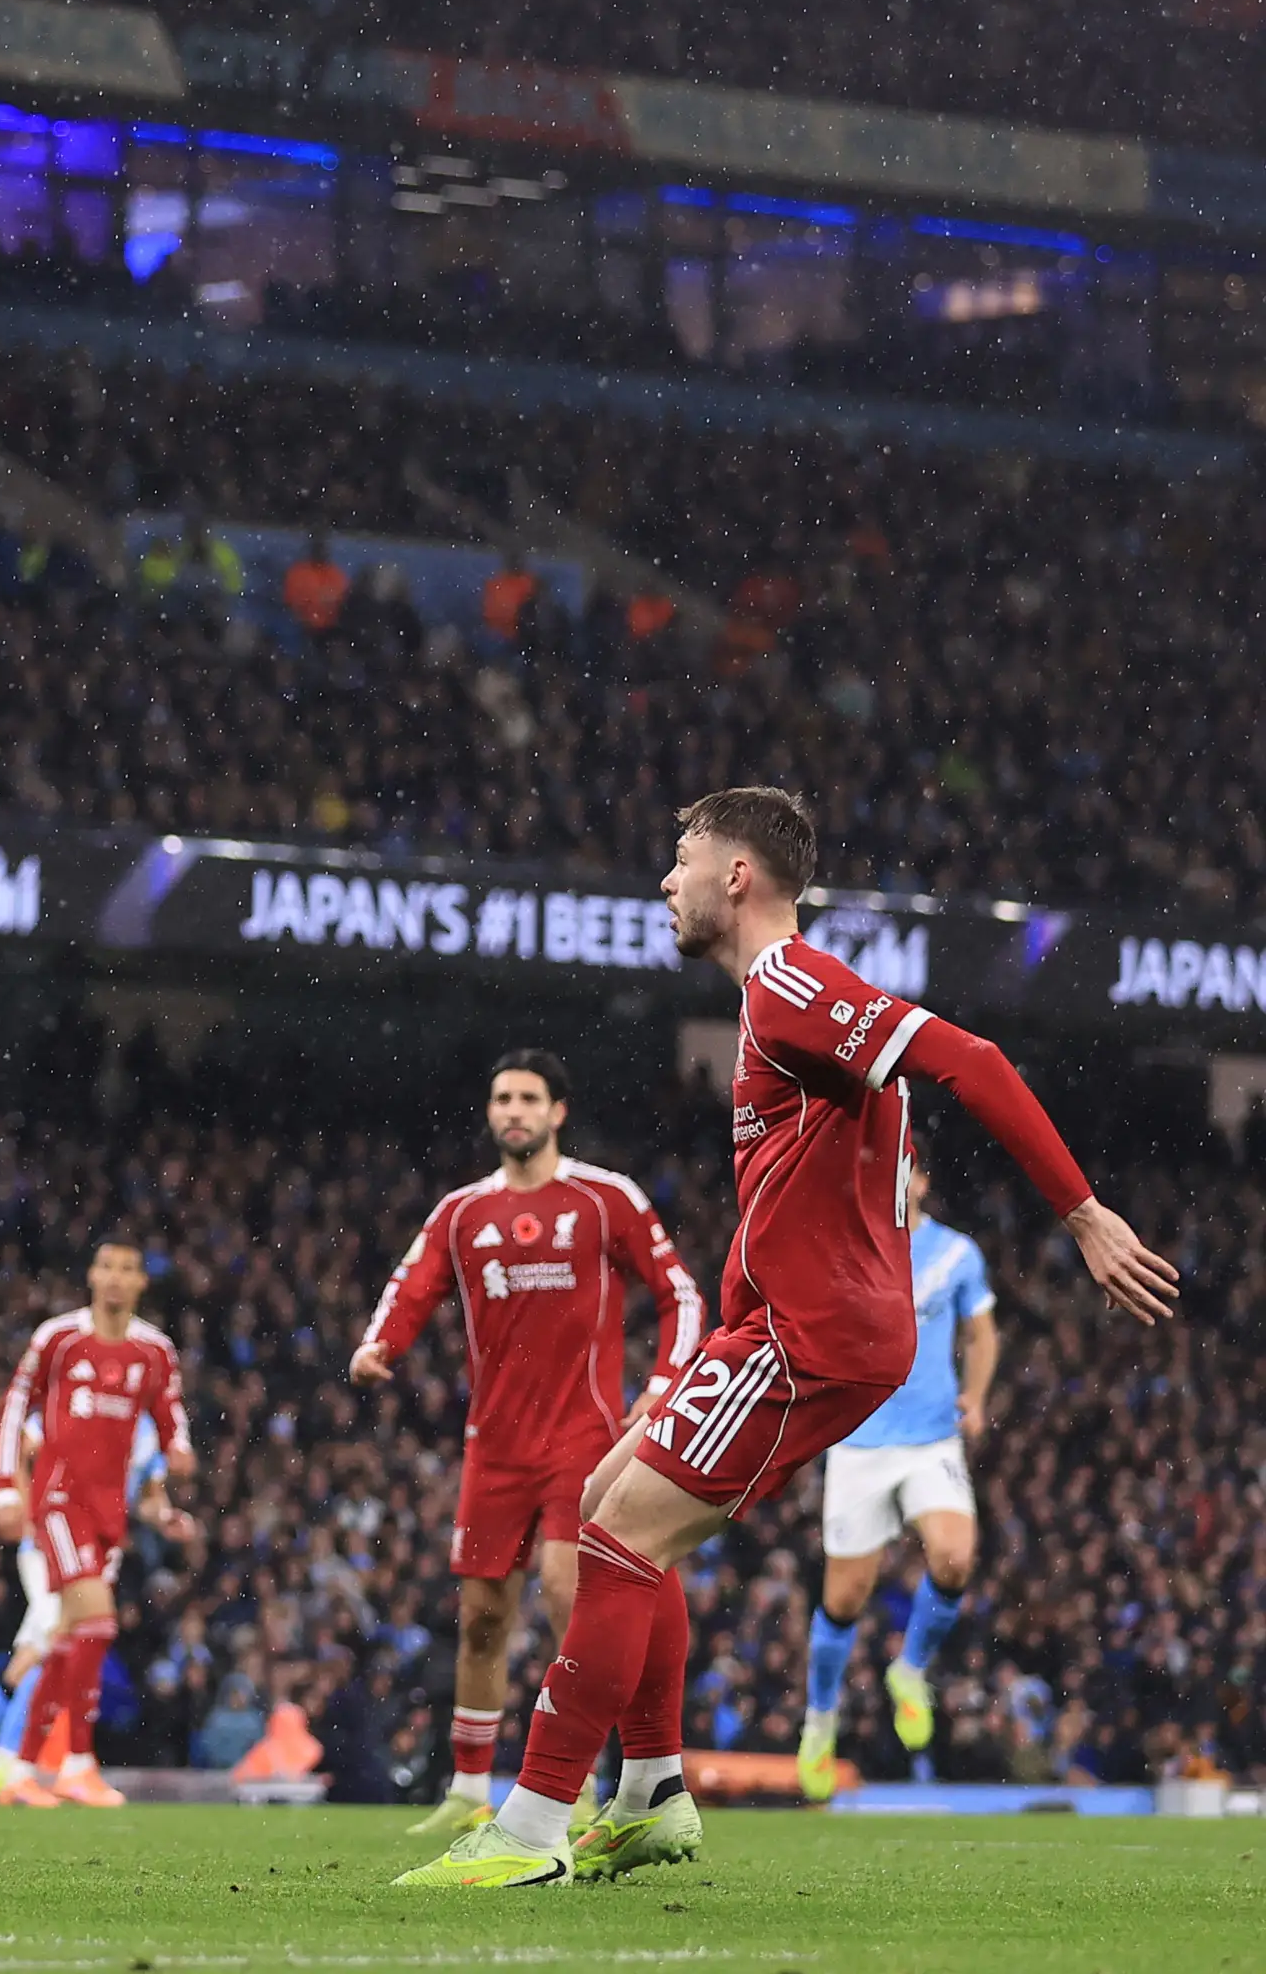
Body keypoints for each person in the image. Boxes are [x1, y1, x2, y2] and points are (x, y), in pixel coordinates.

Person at [403, 787, 1174, 1891]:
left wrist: (1083, 1213)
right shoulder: (778, 1002)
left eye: (681, 858)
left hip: (812, 1334)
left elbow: (978, 1063)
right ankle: (652, 1791)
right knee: (609, 1504)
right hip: (783, 1323)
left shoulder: (791, 983)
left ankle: (528, 1830)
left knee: (617, 1541)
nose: (664, 880)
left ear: (736, 876)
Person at [350, 1049, 705, 1842]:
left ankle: (570, 1781)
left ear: (558, 1111)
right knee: (481, 1618)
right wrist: (382, 1345)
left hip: (581, 1439)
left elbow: (679, 1289)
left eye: (529, 1097)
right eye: (502, 1096)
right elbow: (413, 1282)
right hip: (494, 1446)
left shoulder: (604, 1198)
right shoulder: (462, 1212)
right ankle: (470, 1786)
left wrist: (662, 1384)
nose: (513, 1109)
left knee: (568, 1595)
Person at [798, 1150, 999, 1801]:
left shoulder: (956, 1253)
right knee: (845, 1600)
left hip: (931, 1437)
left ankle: (909, 1669)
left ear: (922, 1178)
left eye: (905, 1166)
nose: (895, 1178)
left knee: (954, 1557)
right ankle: (820, 1718)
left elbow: (982, 1331)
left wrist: (974, 1394)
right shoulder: (846, 1250)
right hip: (859, 1442)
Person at [0, 1239, 199, 1808]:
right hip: (57, 1500)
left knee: (67, 1637)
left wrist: (179, 1453)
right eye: (107, 1267)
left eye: (129, 1269)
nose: (117, 1279)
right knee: (97, 1623)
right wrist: (7, 1487)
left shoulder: (154, 1351)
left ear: (142, 1282)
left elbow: (168, 1418)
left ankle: (22, 1770)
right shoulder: (58, 1338)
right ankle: (78, 1762)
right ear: (92, 1274)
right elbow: (13, 1407)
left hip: (110, 1514)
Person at [0, 1436, 167, 1807]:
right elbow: (20, 1441)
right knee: (55, 1647)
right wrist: (25, 1506)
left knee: (34, 1659)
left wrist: (164, 1516)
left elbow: (146, 1498)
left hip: (91, 1556)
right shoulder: (83, 1395)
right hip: (57, 1547)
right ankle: (6, 1761)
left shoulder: (145, 1431)